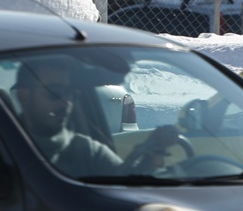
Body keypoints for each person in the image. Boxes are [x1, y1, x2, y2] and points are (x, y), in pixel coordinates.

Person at [13, 60, 179, 177]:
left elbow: (126, 182)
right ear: (24, 96)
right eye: (54, 93)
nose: (65, 102)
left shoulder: (86, 150)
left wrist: (153, 151)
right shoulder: (4, 147)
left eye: (70, 93)